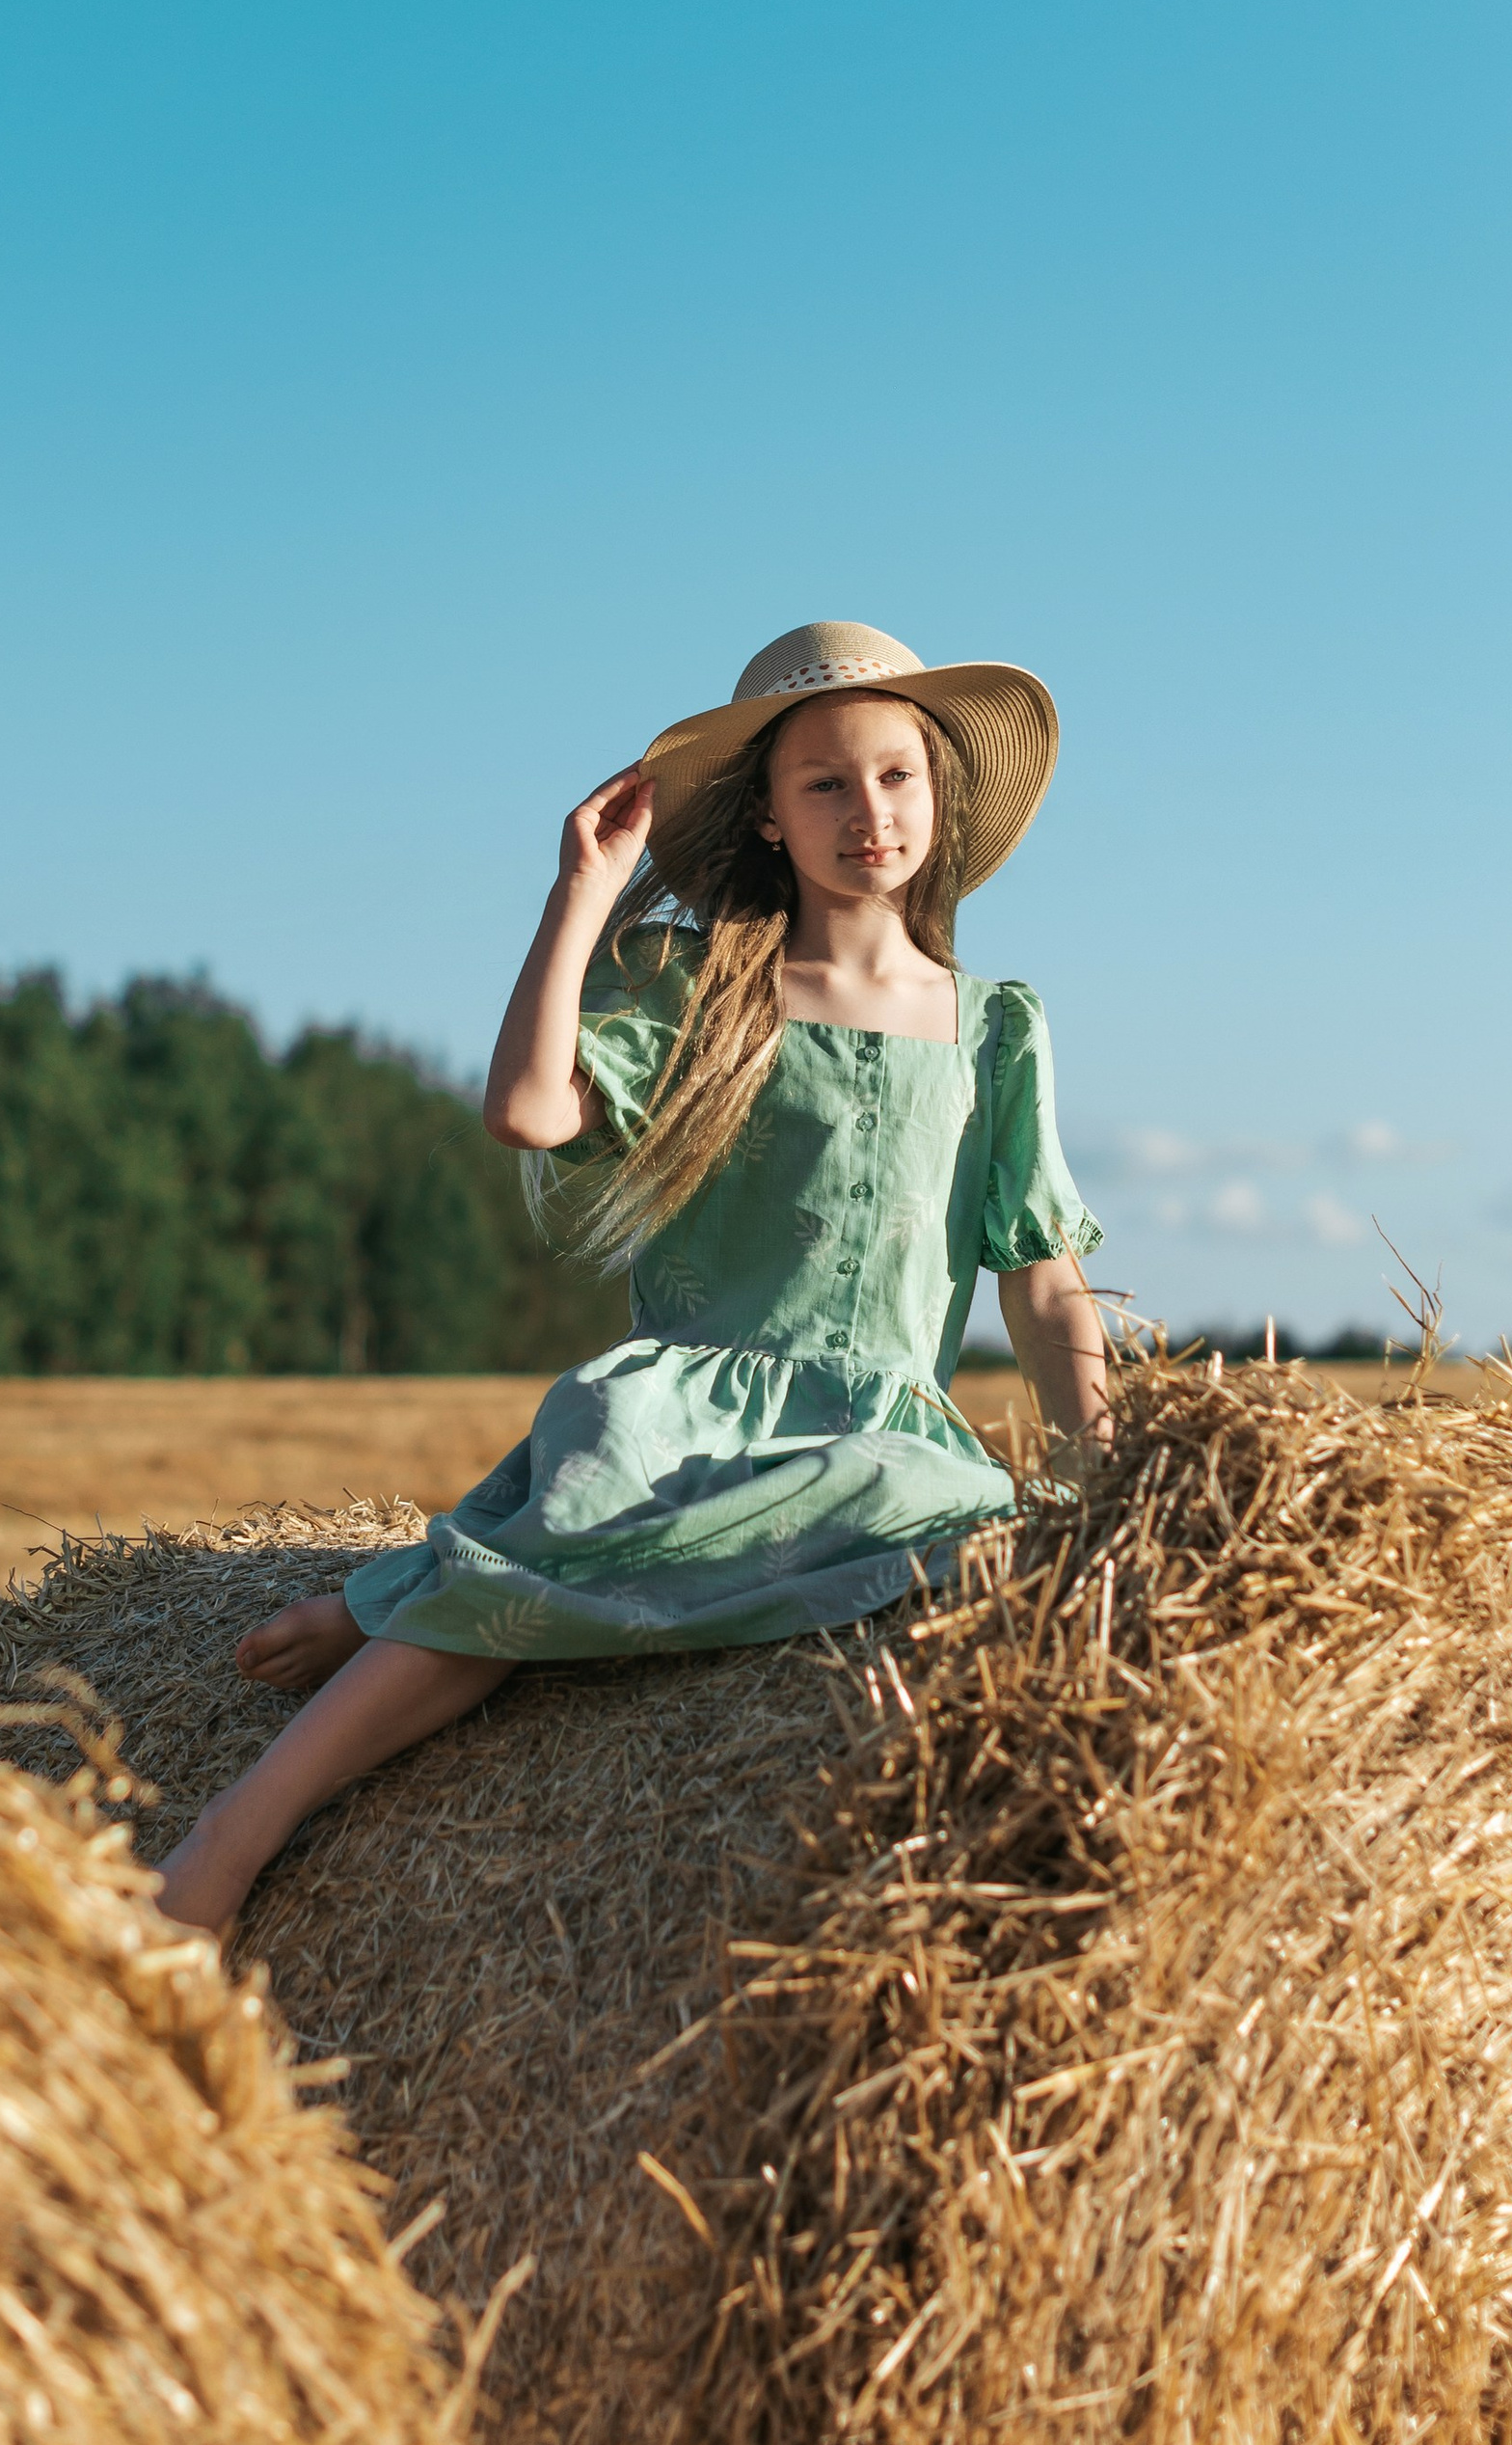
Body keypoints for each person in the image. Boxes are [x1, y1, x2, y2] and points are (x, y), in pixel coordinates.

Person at [151, 620, 1108, 1942]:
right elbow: (528, 1110)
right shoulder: (703, 988)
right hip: (690, 1416)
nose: (867, 812)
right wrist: (582, 896)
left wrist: (1113, 1479)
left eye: (896, 777)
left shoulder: (999, 1025)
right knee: (539, 1577)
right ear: (770, 818)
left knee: (970, 1547)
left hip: (890, 1432)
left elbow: (1045, 1286)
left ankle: (390, 1599)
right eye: (824, 783)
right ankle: (231, 1832)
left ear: (939, 800)